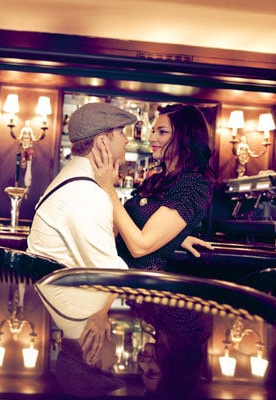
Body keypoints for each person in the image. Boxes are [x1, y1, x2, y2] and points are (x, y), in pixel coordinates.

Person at [29, 102, 137, 392]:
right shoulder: (84, 193)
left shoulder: (77, 184)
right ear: (103, 141)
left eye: (110, 366)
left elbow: (104, 251)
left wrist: (107, 190)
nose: (127, 140)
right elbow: (115, 274)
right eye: (122, 133)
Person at [91, 103, 215, 271]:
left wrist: (109, 188)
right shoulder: (157, 179)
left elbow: (140, 247)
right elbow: (135, 228)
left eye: (162, 132)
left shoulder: (192, 184)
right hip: (118, 271)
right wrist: (175, 239)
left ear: (185, 137)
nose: (152, 138)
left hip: (140, 286)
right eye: (153, 131)